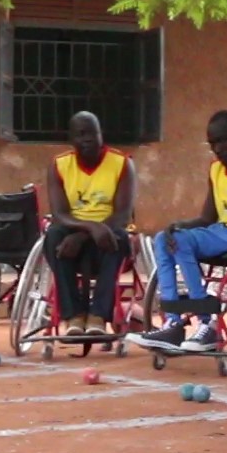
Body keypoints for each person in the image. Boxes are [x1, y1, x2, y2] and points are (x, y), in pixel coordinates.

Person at [129, 105, 227, 352]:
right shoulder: (216, 170)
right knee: (164, 239)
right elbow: (207, 218)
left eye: (223, 141)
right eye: (212, 143)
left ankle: (208, 323)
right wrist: (178, 226)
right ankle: (173, 322)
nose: (217, 148)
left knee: (183, 242)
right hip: (225, 233)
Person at [46, 111, 137, 336]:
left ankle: (98, 316)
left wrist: (89, 232)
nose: (87, 139)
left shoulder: (122, 163)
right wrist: (87, 228)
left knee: (117, 237)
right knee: (53, 236)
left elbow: (123, 214)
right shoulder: (59, 165)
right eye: (80, 134)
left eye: (92, 133)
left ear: (101, 135)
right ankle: (73, 316)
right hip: (74, 229)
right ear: (72, 140)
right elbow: (59, 213)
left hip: (108, 230)